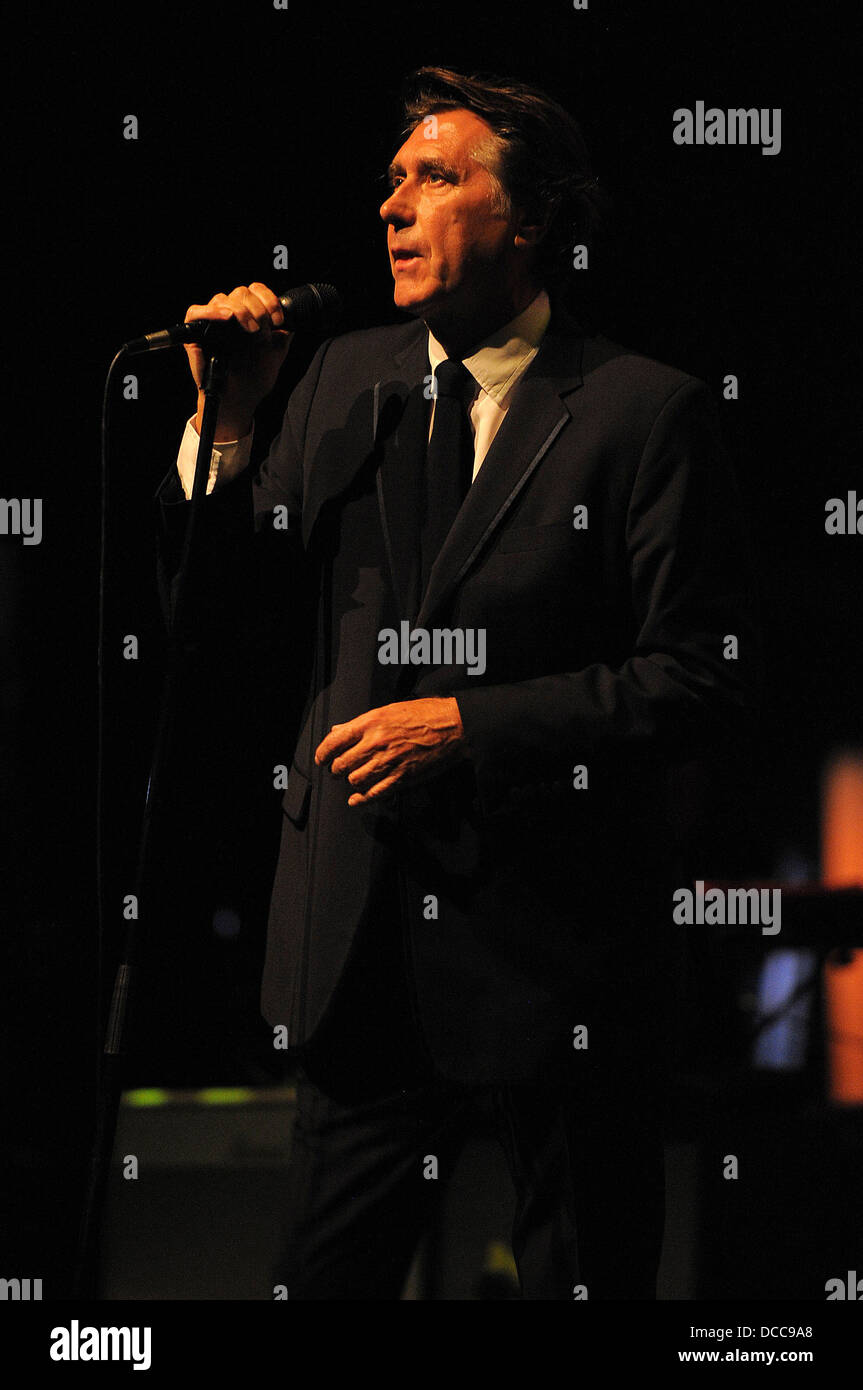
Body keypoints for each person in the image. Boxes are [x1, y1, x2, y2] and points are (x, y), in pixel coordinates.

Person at [156, 66, 757, 1299]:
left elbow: (694, 678)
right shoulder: (334, 380)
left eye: (436, 177)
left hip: (557, 959)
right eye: (390, 181)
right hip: (359, 945)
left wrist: (467, 723)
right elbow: (214, 634)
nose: (393, 206)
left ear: (528, 220)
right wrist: (226, 425)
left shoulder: (642, 411)